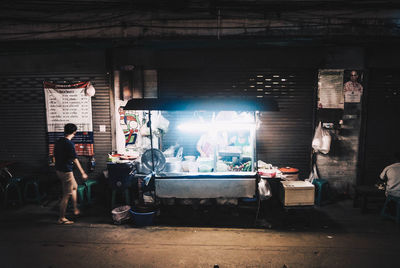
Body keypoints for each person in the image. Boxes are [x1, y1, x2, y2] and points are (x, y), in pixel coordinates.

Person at [54, 123, 88, 224]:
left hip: (59, 170)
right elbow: (75, 159)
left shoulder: (59, 141)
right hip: (66, 171)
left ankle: (75, 209)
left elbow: (54, 155)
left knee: (75, 187)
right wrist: (82, 172)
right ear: (74, 132)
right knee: (66, 195)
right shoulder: (69, 144)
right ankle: (61, 218)